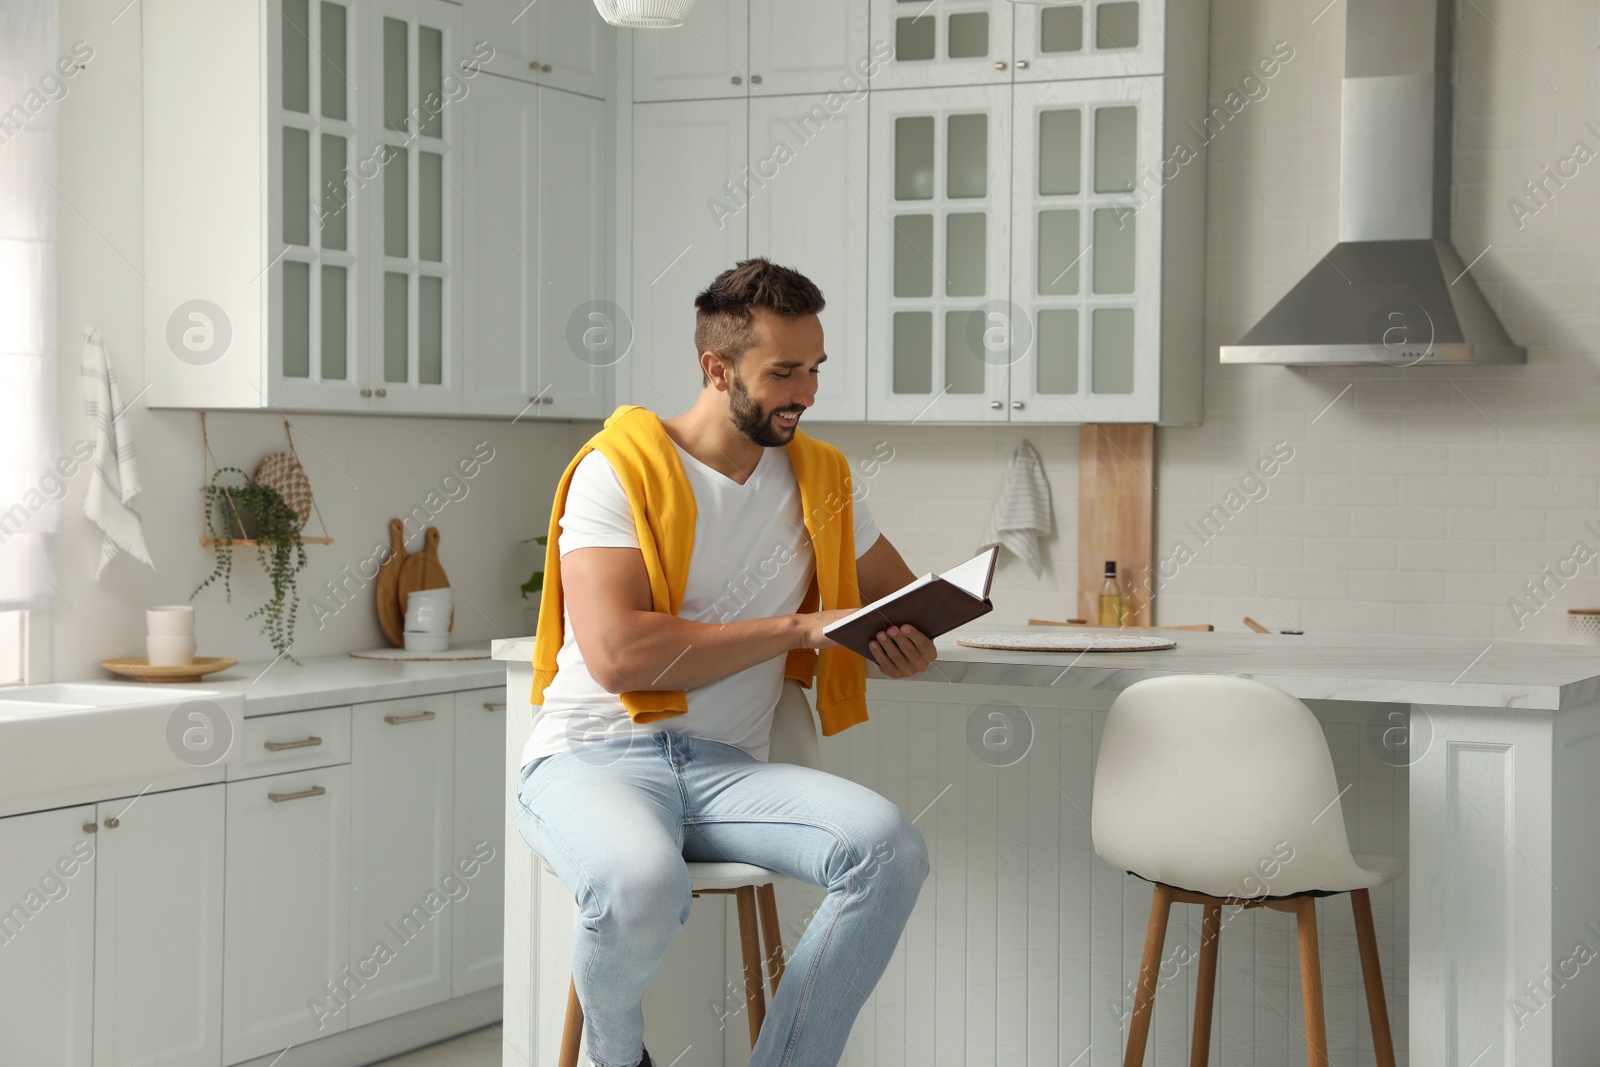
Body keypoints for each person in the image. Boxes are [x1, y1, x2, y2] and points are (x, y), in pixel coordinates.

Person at [516, 258, 936, 1067]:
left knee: (889, 850)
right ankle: (617, 1055)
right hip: (590, 760)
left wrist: (909, 630)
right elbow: (619, 656)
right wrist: (797, 627)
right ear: (716, 369)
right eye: (783, 372)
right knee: (642, 884)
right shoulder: (620, 470)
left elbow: (898, 596)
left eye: (814, 369)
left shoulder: (824, 481)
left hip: (725, 771)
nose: (805, 392)